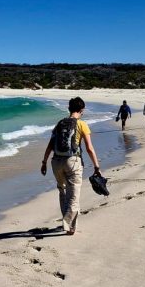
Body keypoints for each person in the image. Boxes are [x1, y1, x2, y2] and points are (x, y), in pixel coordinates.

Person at [41, 97, 102, 235]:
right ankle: (67, 222)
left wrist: (44, 162)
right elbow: (89, 148)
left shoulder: (59, 124)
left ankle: (70, 227)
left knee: (62, 191)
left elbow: (50, 145)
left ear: (69, 109)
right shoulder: (82, 124)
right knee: (74, 196)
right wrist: (96, 166)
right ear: (82, 110)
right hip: (73, 162)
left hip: (56, 162)